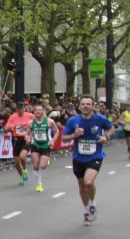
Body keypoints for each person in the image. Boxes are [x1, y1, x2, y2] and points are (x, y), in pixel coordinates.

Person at [60, 95, 114, 226]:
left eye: (88, 104)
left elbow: (112, 128)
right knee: (82, 187)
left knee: (88, 182)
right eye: (83, 104)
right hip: (78, 158)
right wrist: (75, 135)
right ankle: (86, 209)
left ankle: (92, 203)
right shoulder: (73, 121)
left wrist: (106, 137)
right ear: (79, 106)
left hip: (95, 155)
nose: (85, 106)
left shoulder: (100, 119)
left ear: (93, 106)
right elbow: (63, 138)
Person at [28, 104, 58, 193]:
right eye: (36, 110)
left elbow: (56, 131)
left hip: (45, 145)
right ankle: (39, 184)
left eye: (39, 110)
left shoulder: (49, 121)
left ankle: (47, 160)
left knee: (42, 166)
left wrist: (52, 141)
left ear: (43, 111)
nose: (38, 112)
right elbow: (27, 133)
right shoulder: (31, 123)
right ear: (33, 112)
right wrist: (27, 137)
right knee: (35, 165)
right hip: (35, 144)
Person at [4, 102, 35, 186]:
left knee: (22, 156)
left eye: (21, 108)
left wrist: (28, 128)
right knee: (17, 163)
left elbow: (36, 126)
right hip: (16, 139)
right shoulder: (12, 117)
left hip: (26, 139)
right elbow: (5, 128)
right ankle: (21, 177)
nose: (19, 110)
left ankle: (25, 170)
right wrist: (8, 128)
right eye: (18, 109)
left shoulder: (30, 116)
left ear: (24, 108)